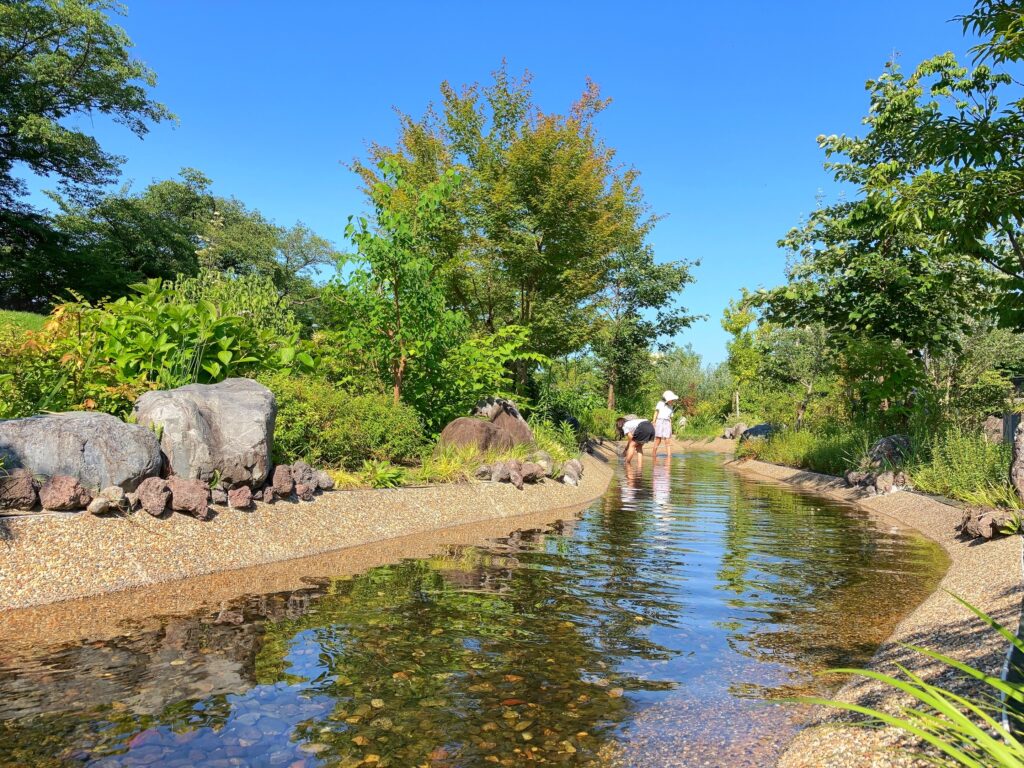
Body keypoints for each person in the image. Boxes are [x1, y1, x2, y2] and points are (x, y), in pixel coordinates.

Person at [651, 390, 679, 462]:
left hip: (667, 422)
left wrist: (671, 427)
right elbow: (656, 412)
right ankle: (653, 454)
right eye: (671, 399)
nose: (672, 401)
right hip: (659, 421)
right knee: (658, 439)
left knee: (667, 440)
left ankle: (669, 456)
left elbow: (670, 418)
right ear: (667, 399)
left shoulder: (671, 407)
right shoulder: (660, 403)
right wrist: (654, 421)